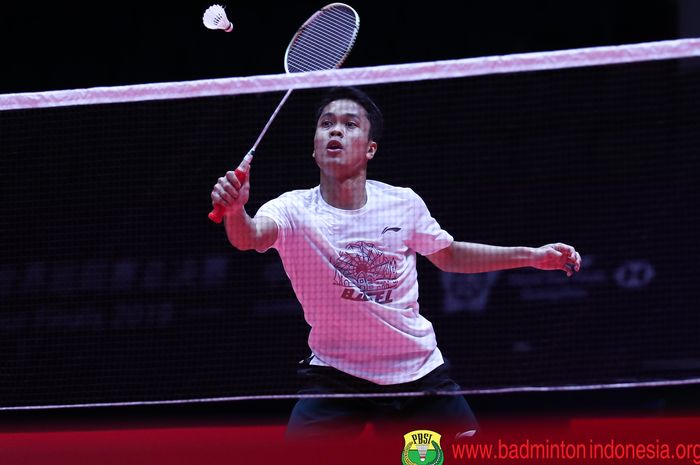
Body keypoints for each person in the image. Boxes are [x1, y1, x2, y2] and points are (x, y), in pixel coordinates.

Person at [210, 86, 581, 440]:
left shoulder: (402, 202)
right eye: (326, 124)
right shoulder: (291, 209)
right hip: (336, 375)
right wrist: (236, 209)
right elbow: (249, 237)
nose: (335, 130)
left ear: (370, 149)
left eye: (350, 124)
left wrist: (532, 256)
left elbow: (449, 255)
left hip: (417, 375)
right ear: (314, 147)